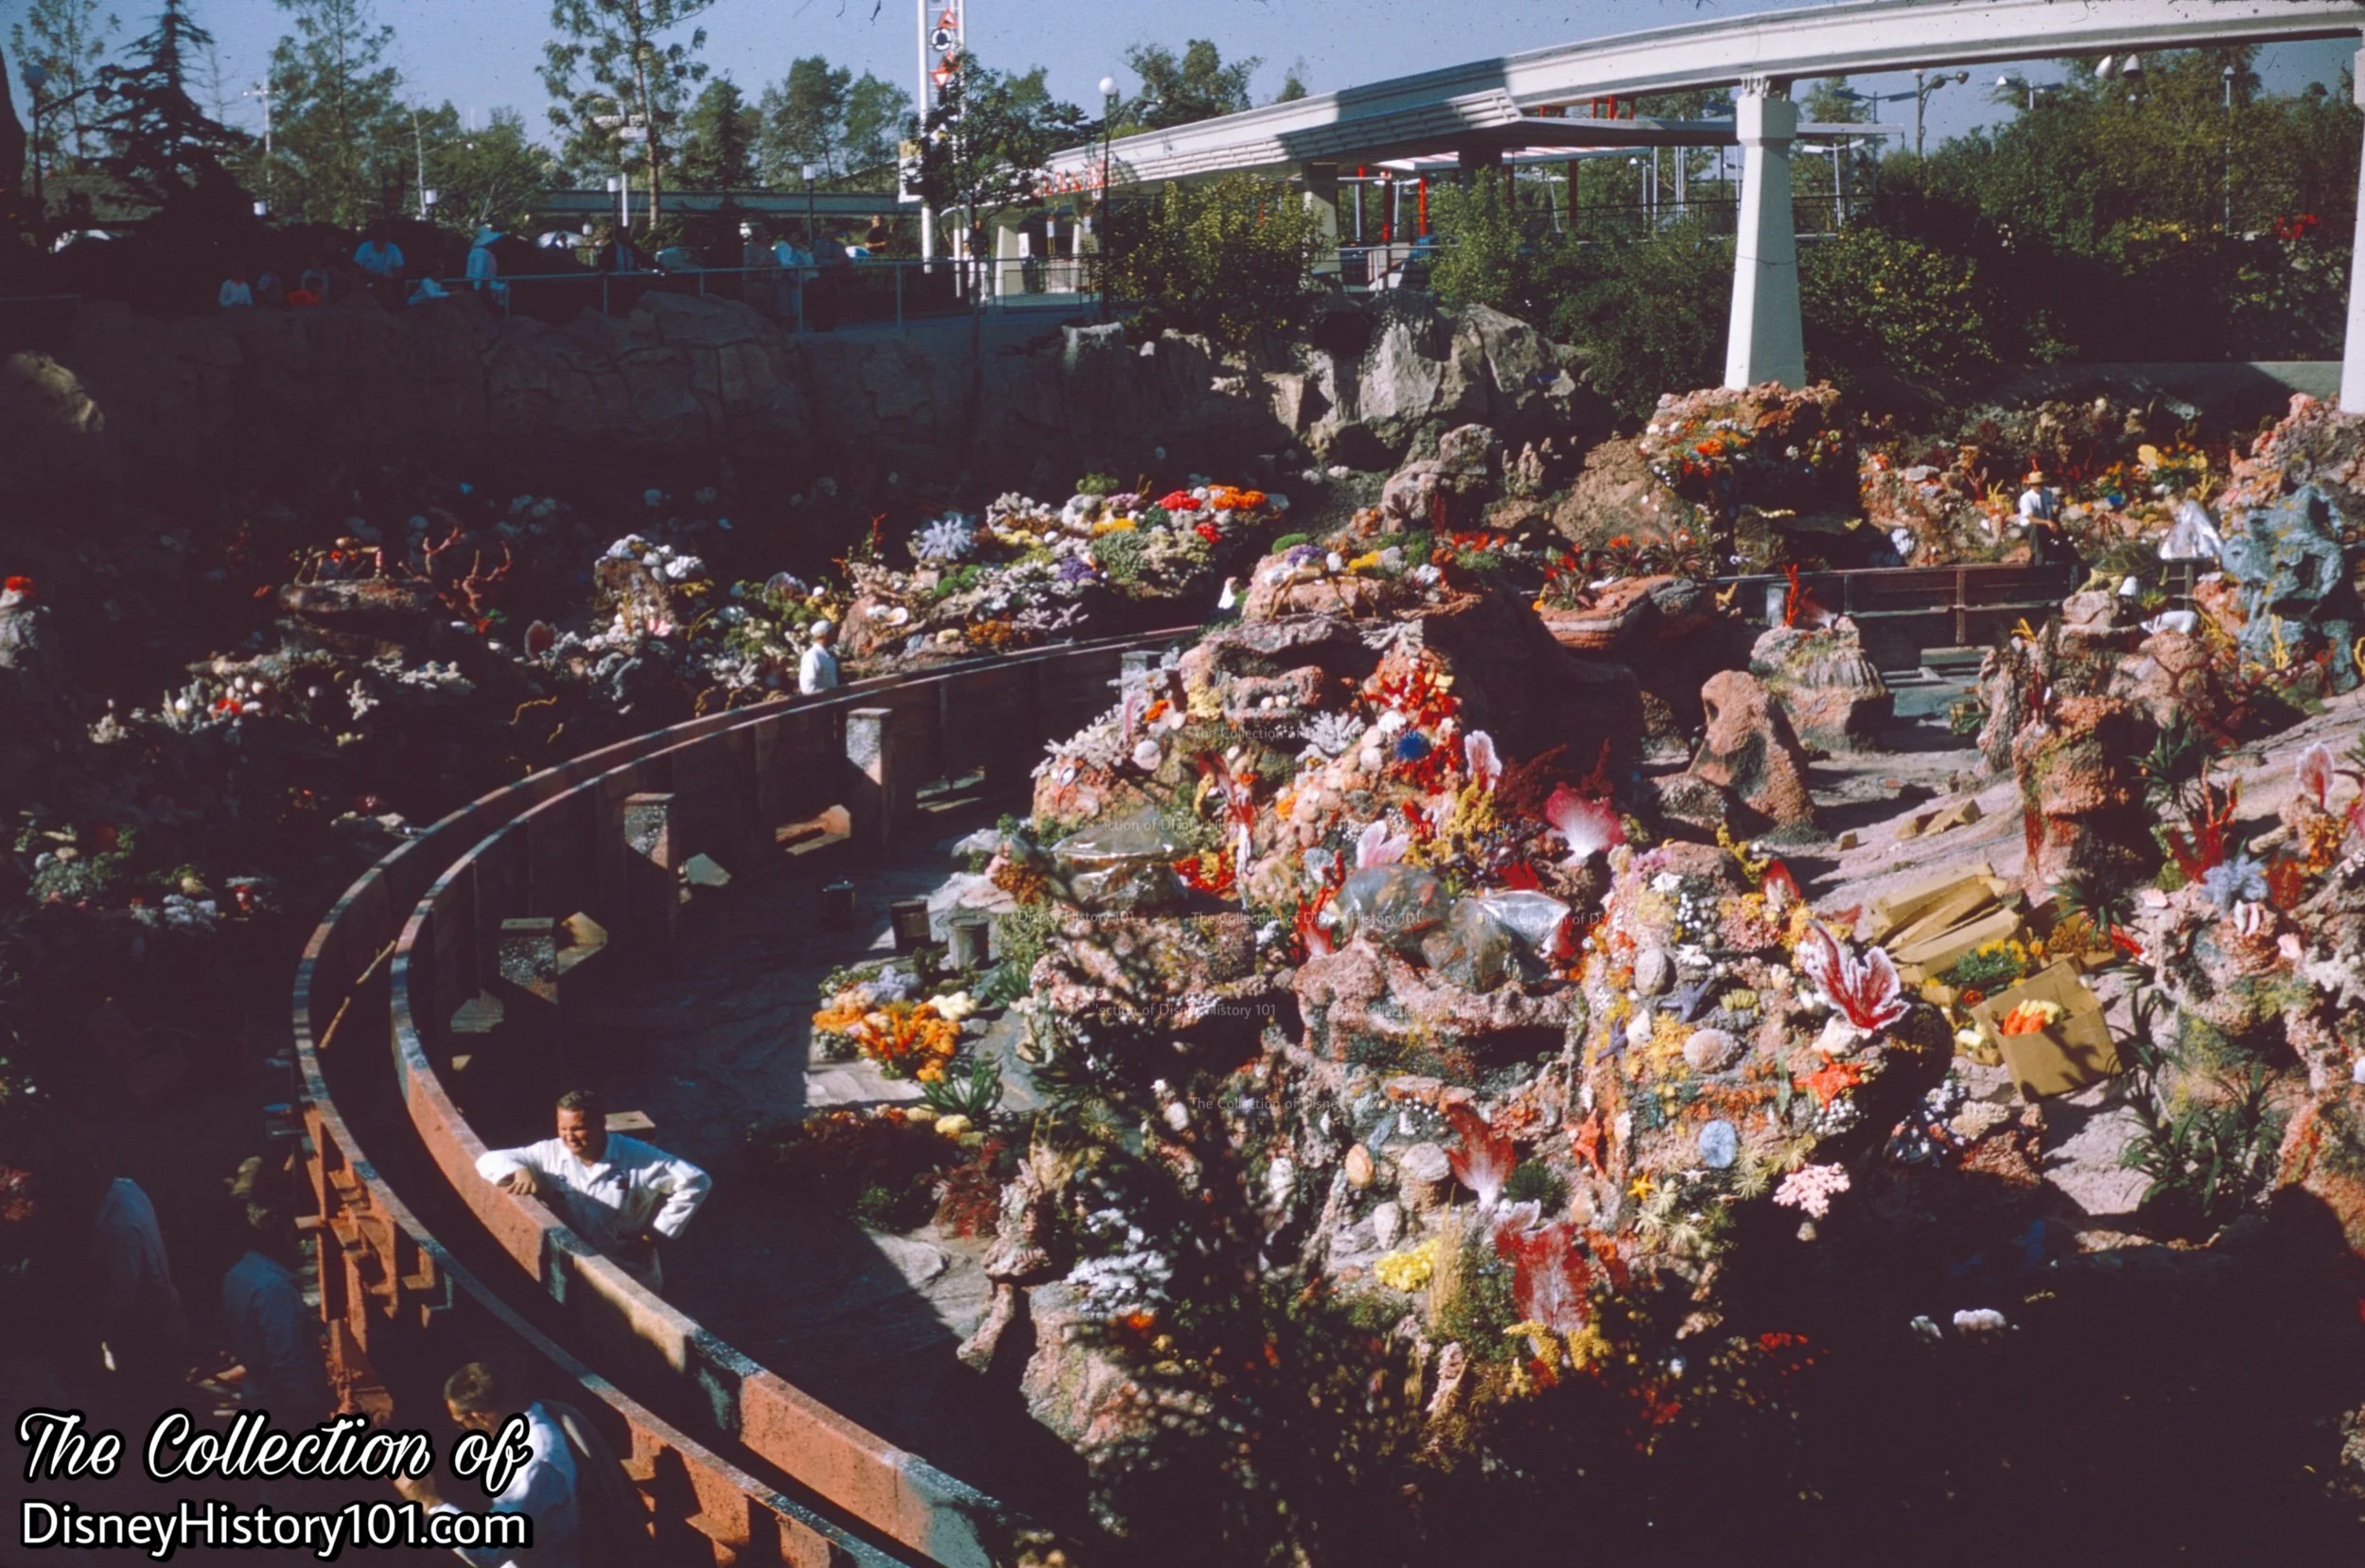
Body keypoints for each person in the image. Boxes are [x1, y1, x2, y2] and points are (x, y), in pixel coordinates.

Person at [475, 1089, 709, 1291]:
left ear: (601, 1124)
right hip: (574, 1263)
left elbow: (696, 1181)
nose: (569, 1137)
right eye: (562, 1128)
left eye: (578, 1129)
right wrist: (519, 1169)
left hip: (627, 1264)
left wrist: (657, 1233)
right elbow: (488, 1159)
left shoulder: (639, 1157)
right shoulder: (549, 1153)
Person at [394, 1362, 581, 1568]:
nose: (463, 1431)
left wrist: (430, 1503)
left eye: (461, 1423)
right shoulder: (544, 1413)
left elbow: (487, 1550)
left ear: (480, 1417)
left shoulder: (527, 1467)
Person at [220, 1157, 332, 1428]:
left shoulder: (237, 1276)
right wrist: (313, 1418)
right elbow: (290, 1366)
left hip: (257, 1400)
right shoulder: (275, 1291)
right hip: (283, 1415)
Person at [2017, 468, 2064, 565]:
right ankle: (2037, 557)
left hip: (2045, 522)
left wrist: (2056, 508)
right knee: (2035, 528)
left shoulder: (2047, 492)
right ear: (2031, 485)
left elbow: (2053, 505)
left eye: (2041, 484)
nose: (2039, 486)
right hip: (2029, 526)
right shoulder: (2026, 498)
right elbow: (2031, 518)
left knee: (2061, 526)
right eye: (2036, 484)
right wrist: (2047, 522)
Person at [772, 225, 812, 328]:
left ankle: (796, 324)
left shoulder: (798, 249)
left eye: (798, 237)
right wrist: (795, 265)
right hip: (783, 278)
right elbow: (784, 262)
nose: (797, 239)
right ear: (788, 238)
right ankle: (785, 327)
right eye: (794, 237)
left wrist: (805, 252)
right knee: (784, 302)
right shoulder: (782, 247)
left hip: (796, 278)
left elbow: (808, 261)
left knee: (796, 302)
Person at [354, 222, 406, 300]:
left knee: (389, 291)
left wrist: (390, 277)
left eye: (383, 240)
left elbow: (400, 271)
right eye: (378, 240)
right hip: (367, 282)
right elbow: (356, 268)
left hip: (387, 283)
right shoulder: (364, 248)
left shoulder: (394, 249)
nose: (381, 243)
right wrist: (372, 275)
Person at [466, 225, 508, 305]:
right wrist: (477, 288)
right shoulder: (481, 253)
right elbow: (478, 270)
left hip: (484, 283)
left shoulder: (480, 252)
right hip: (482, 285)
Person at [797, 619, 839, 695]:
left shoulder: (828, 654)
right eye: (833, 632)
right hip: (823, 701)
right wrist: (826, 696)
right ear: (826, 635)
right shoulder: (812, 656)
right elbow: (807, 688)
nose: (835, 635)